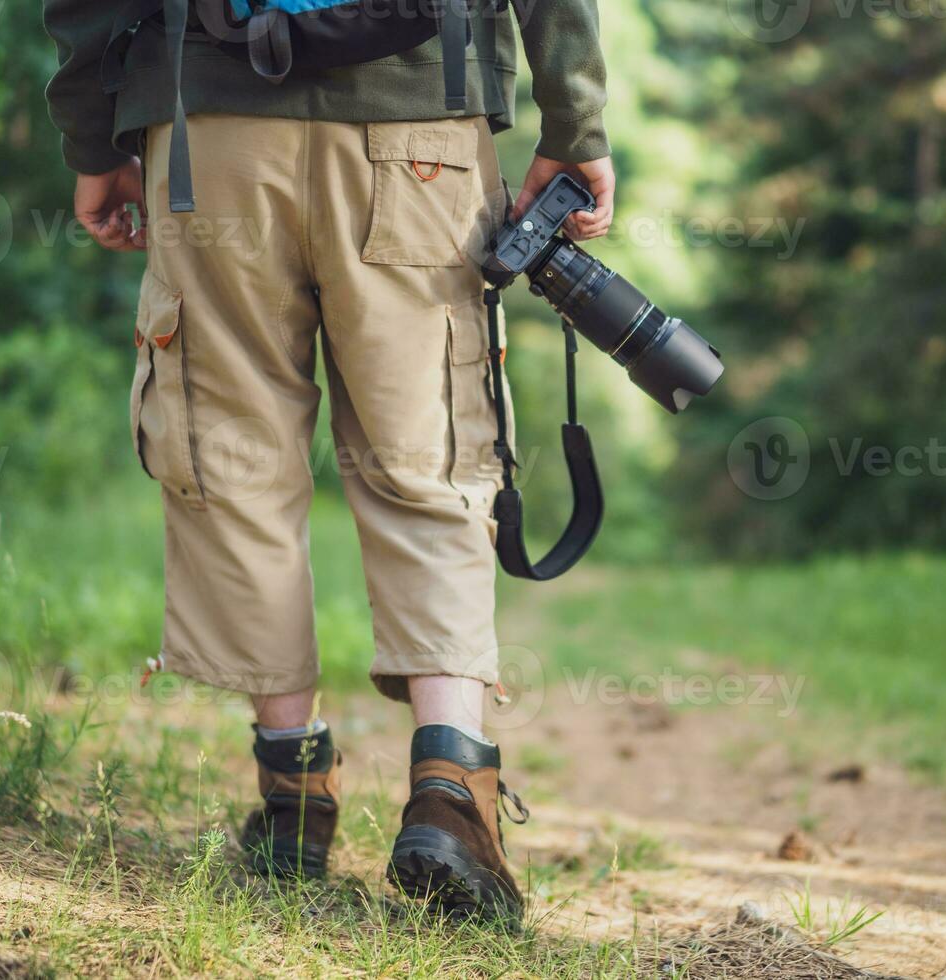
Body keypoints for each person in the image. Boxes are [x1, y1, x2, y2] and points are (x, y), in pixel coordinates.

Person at [42, 0, 614, 922]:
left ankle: (293, 791)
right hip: (423, 117)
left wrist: (92, 138)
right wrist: (574, 120)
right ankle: (451, 785)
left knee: (233, 458)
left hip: (209, 129)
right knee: (430, 454)